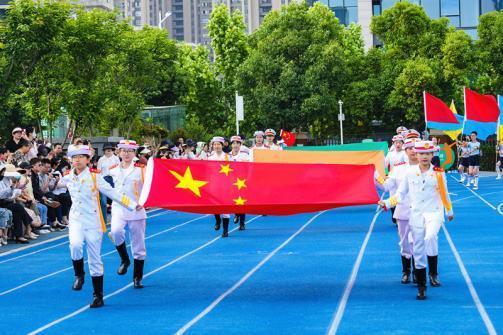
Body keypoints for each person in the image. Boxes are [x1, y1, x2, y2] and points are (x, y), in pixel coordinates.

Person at [59, 145, 140, 308]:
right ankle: (79, 274)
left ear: (88, 160)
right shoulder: (67, 177)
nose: (77, 160)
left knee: (95, 259)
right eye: (74, 157)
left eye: (81, 157)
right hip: (75, 219)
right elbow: (55, 186)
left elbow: (113, 193)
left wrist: (132, 204)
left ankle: (98, 296)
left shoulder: (95, 177)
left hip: (93, 221)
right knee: (74, 245)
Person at [380, 140, 454, 300]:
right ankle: (421, 286)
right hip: (416, 215)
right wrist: (386, 203)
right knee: (418, 250)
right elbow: (400, 194)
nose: (424, 156)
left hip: (434, 213)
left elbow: (444, 193)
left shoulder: (439, 172)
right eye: (421, 153)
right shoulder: (409, 173)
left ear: (433, 154)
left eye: (428, 153)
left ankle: (433, 273)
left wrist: (449, 210)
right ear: (417, 154)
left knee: (430, 237)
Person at [375, 138, 417, 284]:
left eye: (415, 147)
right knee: (405, 243)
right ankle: (406, 272)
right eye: (410, 148)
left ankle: (419, 272)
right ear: (405, 151)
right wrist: (374, 175)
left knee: (418, 242)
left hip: (420, 213)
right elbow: (386, 187)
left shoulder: (426, 168)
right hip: (403, 211)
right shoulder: (399, 169)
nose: (413, 151)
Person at [109, 140, 148, 288]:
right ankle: (125, 259)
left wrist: (143, 202)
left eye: (129, 151)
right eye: (123, 150)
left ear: (134, 153)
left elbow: (148, 186)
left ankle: (137, 277)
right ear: (118, 152)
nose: (126, 153)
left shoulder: (141, 168)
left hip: (136, 208)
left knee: (138, 244)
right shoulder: (112, 169)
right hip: (119, 207)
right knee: (116, 231)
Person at [207, 137, 231, 237]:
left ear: (222, 145)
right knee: (215, 206)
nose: (216, 146)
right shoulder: (210, 158)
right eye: (215, 144)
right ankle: (217, 220)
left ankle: (225, 230)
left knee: (225, 208)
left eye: (218, 144)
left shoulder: (227, 157)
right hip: (214, 185)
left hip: (225, 185)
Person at [229, 135, 249, 231]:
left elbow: (248, 167)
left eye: (237, 143)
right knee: (233, 201)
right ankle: (236, 214)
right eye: (233, 143)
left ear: (240, 145)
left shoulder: (244, 155)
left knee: (242, 202)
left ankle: (242, 223)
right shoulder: (227, 156)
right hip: (231, 183)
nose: (235, 145)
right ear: (231, 145)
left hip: (242, 182)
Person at [97, 143, 120, 219]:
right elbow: (98, 172)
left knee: (116, 200)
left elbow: (119, 170)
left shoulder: (116, 158)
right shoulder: (101, 159)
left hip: (114, 180)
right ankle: (104, 219)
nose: (109, 151)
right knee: (103, 202)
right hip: (104, 181)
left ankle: (117, 217)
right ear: (104, 151)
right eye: (107, 150)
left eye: (110, 149)